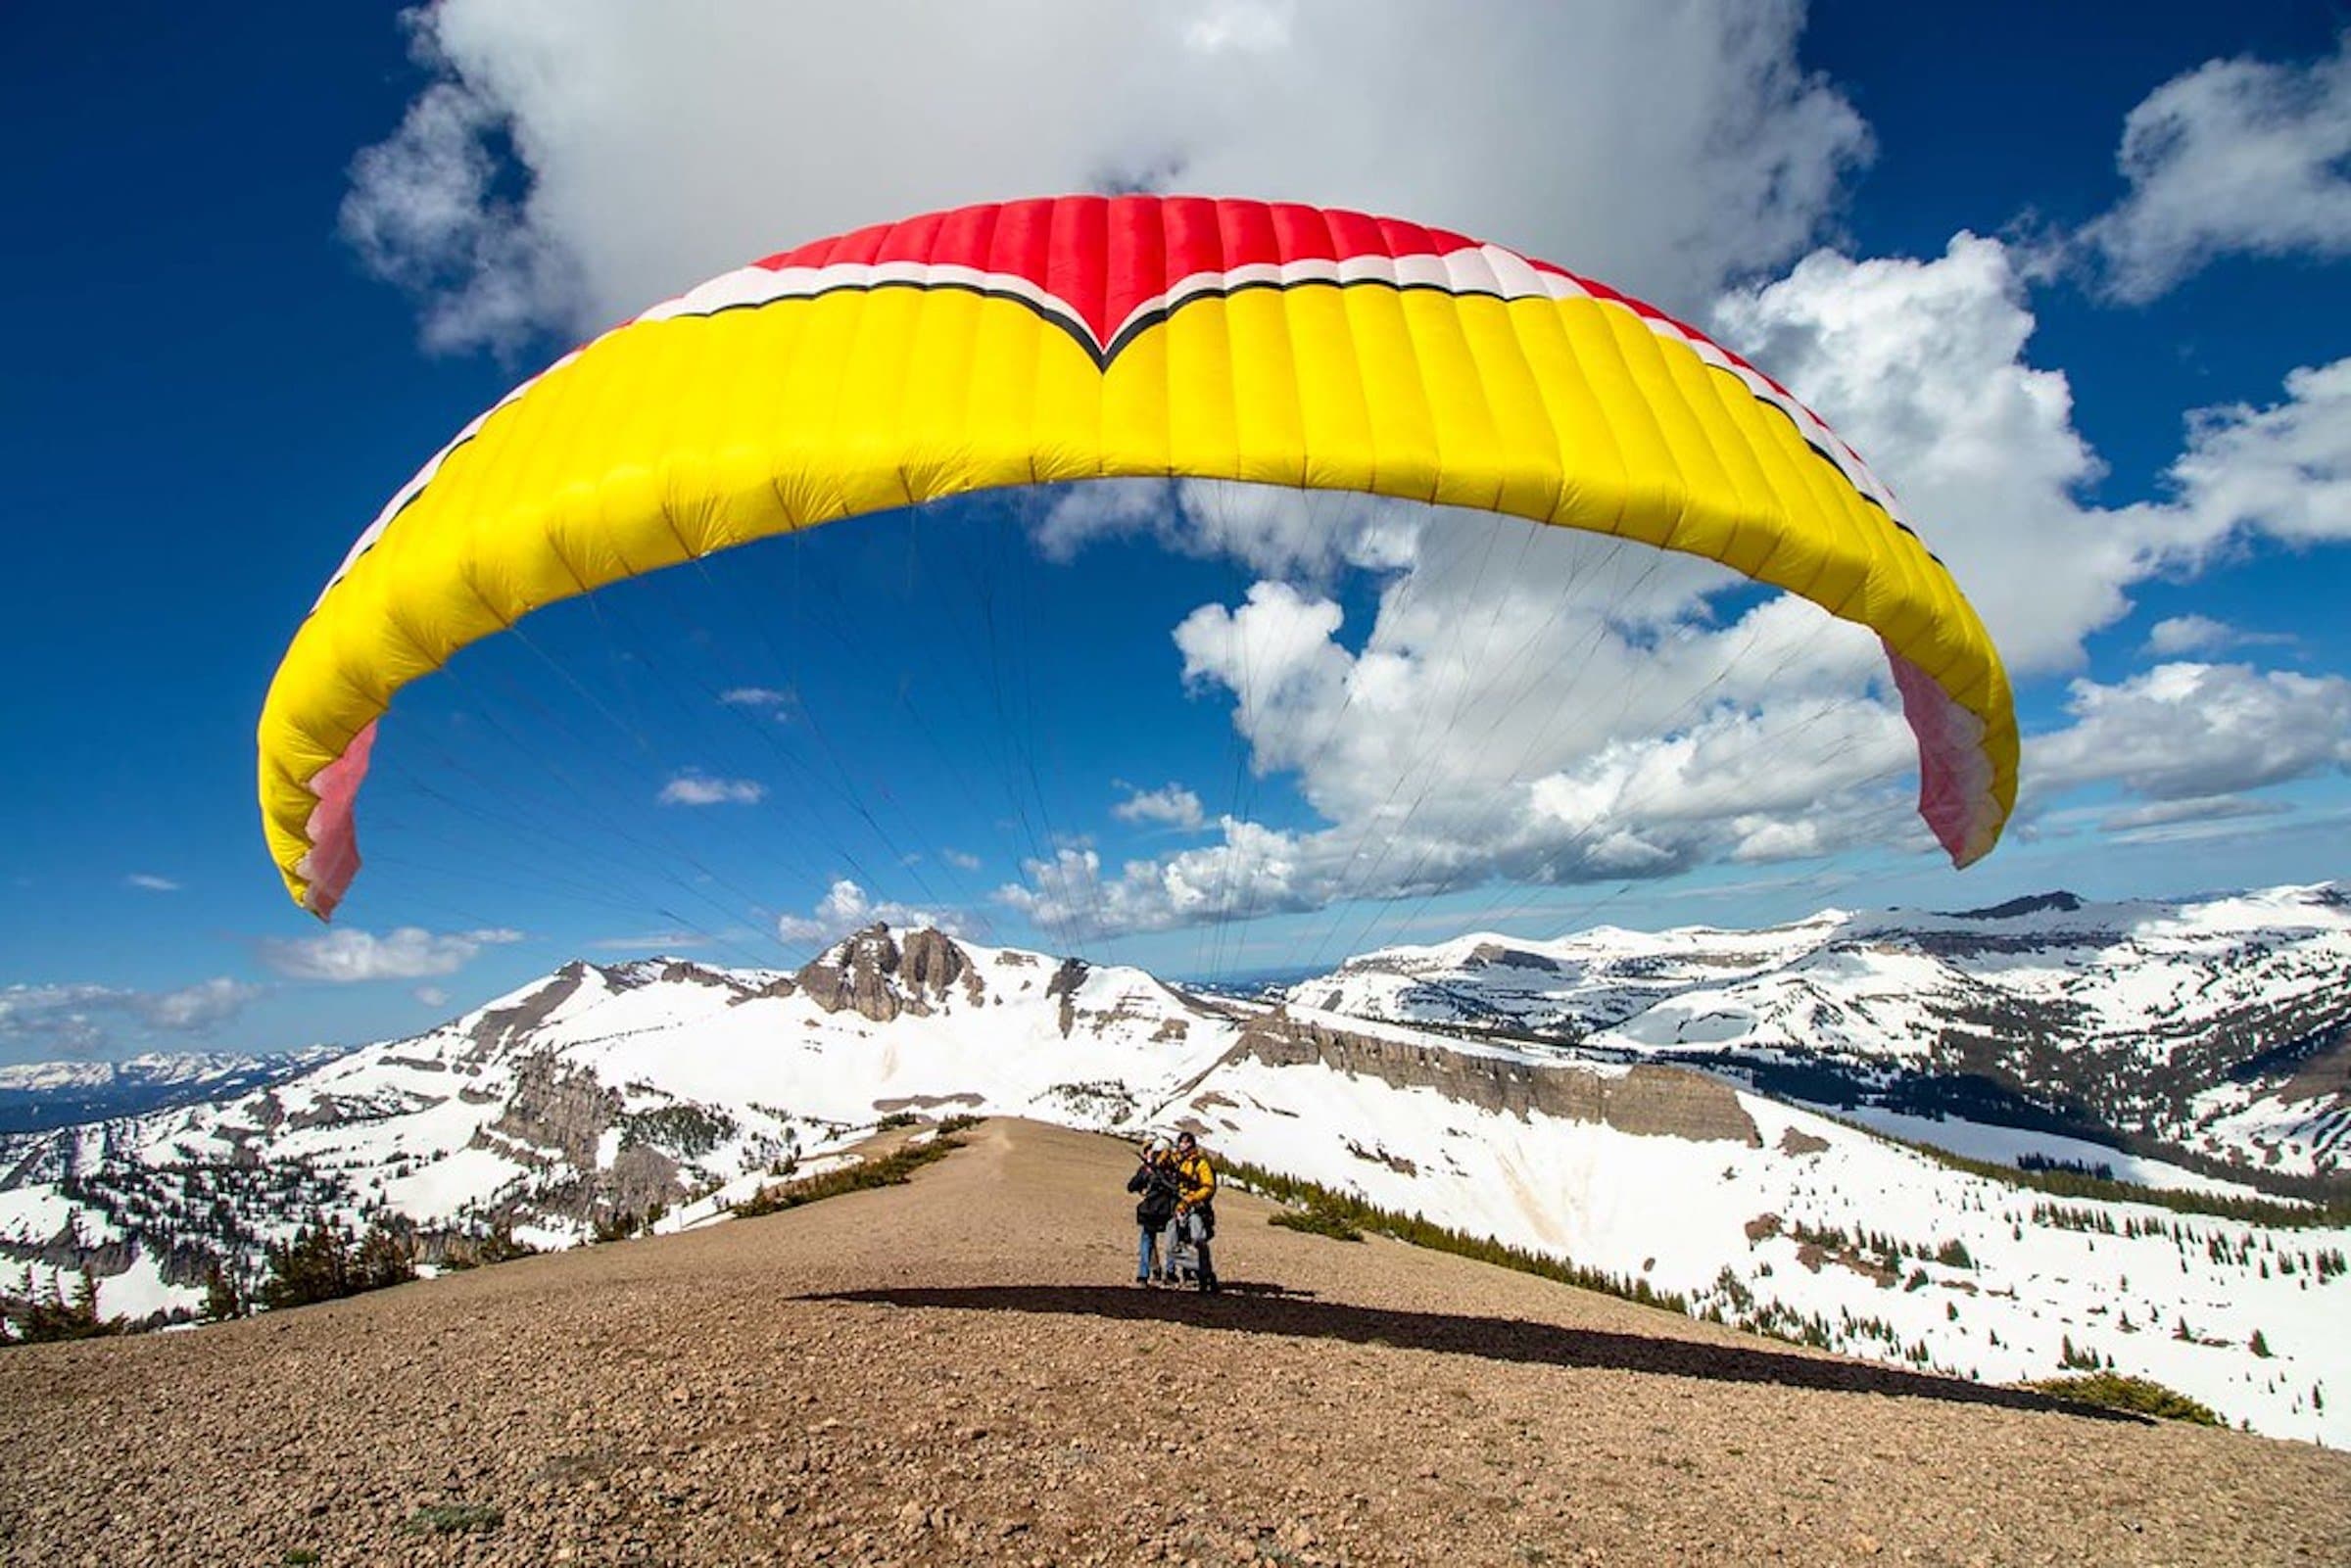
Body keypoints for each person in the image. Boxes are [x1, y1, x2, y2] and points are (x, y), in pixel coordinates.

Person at [1126, 1139, 1181, 1285]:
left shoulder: (1150, 1169)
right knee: (1170, 1242)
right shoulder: (1173, 1168)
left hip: (1151, 1209)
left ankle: (1143, 1275)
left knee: (1147, 1241)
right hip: (1167, 1210)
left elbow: (1131, 1186)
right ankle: (1169, 1274)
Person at [1173, 1131, 1219, 1294]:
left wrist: (1191, 1199)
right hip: (1179, 1209)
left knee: (1198, 1240)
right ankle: (1198, 1272)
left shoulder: (1200, 1164)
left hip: (1195, 1209)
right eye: (1181, 1143)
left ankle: (1205, 1275)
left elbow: (1208, 1187)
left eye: (1186, 1143)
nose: (1183, 1146)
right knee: (1175, 1245)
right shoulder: (1177, 1162)